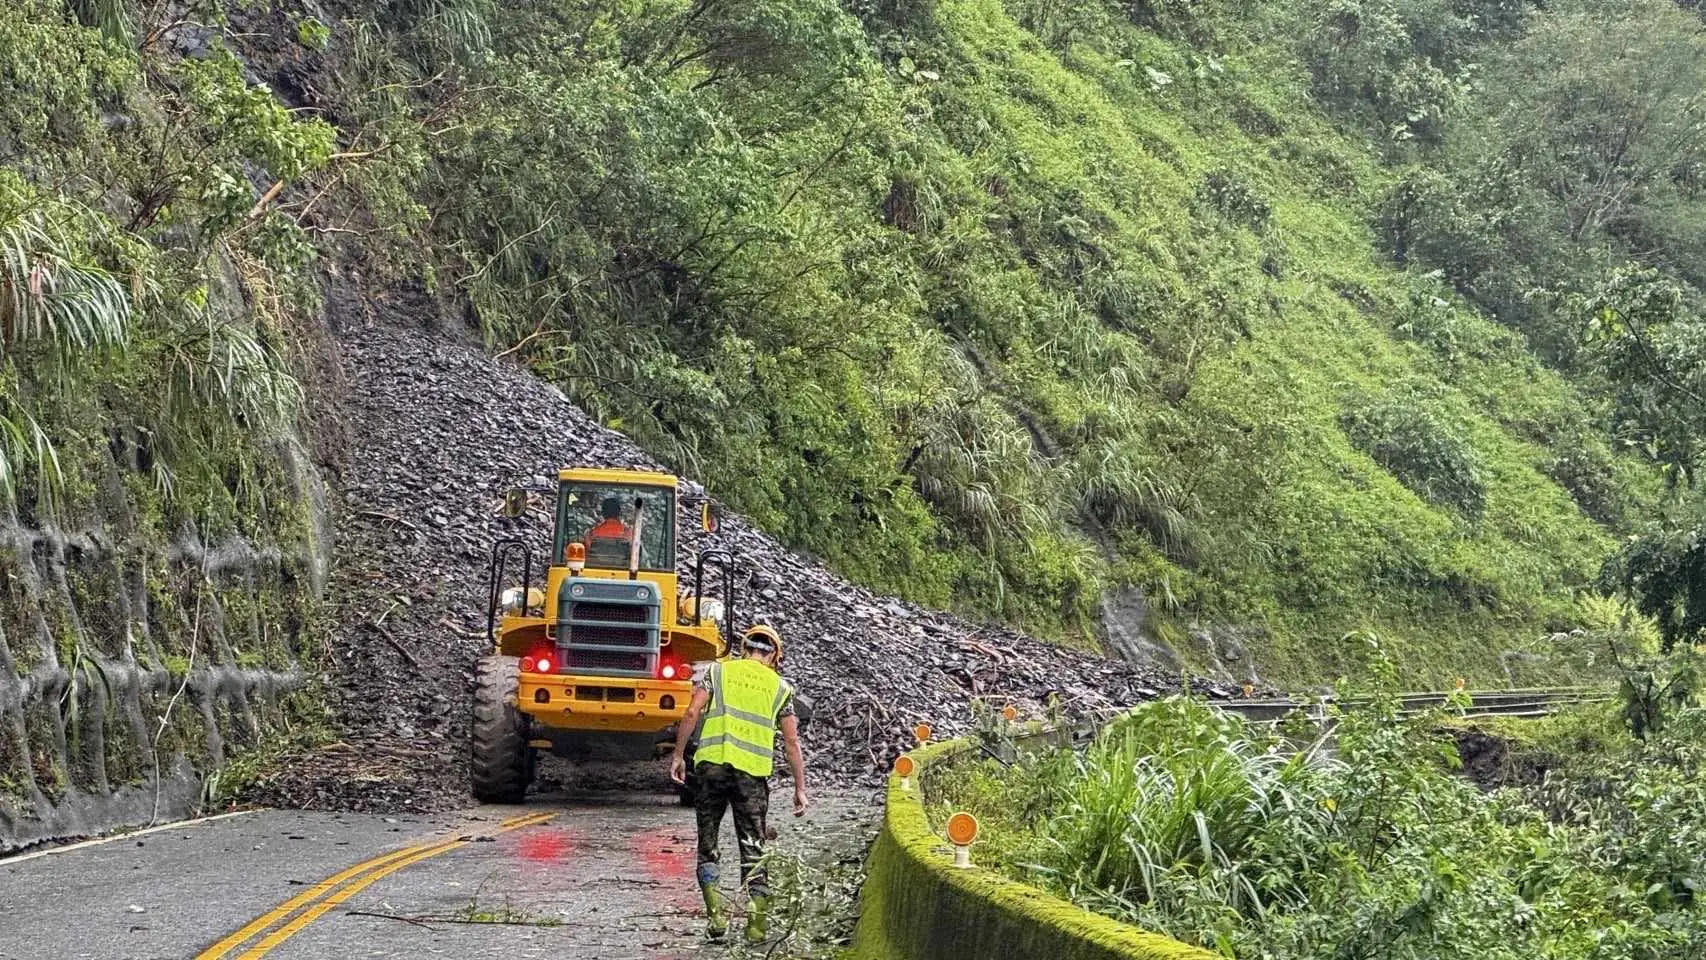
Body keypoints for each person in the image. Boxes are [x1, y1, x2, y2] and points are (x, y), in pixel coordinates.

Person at [669, 624, 808, 943]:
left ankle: (716, 917)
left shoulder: (718, 672)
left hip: (711, 769)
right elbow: (791, 741)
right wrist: (799, 788)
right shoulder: (779, 688)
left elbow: (692, 712)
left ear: (744, 649)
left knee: (708, 843)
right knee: (753, 848)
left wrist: (678, 755)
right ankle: (756, 925)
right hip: (752, 777)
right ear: (774, 655)